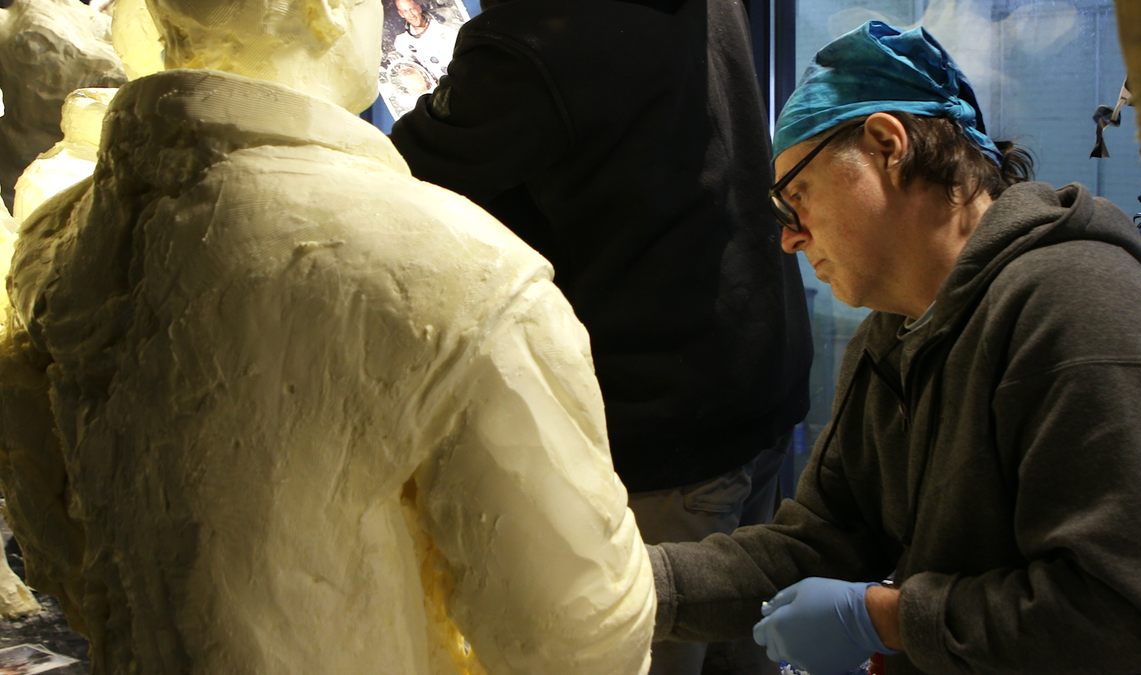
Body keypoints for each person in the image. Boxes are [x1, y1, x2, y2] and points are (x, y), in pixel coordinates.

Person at [0, 0, 655, 673]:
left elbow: (55, 547)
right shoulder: (463, 274)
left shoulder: (57, 233)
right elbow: (581, 638)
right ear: (328, 12)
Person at [649, 20, 1141, 675]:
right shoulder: (898, 333)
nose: (789, 238)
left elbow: (1128, 616)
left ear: (887, 143)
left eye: (797, 198)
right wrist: (628, 584)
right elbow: (821, 542)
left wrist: (884, 617)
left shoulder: (1077, 309)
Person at [389, 3, 813, 671]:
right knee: (744, 640)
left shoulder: (527, 40)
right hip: (756, 376)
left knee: (639, 646)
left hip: (663, 431)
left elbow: (402, 184)